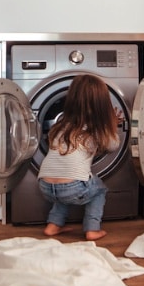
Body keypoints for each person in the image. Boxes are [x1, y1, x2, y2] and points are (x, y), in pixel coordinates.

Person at [37, 74, 121, 241]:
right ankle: (92, 229)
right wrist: (111, 125)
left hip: (45, 185)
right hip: (73, 187)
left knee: (64, 185)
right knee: (99, 190)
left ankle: (53, 225)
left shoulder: (60, 125)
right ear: (102, 105)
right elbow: (113, 145)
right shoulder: (97, 128)